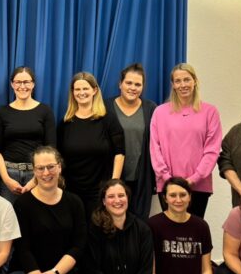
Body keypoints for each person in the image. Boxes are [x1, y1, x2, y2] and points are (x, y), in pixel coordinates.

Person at [8, 145, 86, 274]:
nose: (46, 173)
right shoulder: (23, 204)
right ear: (33, 171)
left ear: (59, 167)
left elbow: (78, 245)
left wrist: (56, 273)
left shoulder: (74, 202)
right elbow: (23, 249)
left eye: (50, 167)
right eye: (40, 168)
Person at [0, 66, 56, 274]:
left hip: (39, 175)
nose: (22, 86)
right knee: (7, 231)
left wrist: (36, 180)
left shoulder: (44, 111)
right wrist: (6, 179)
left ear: (33, 84)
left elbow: (51, 150)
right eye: (18, 82)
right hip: (8, 174)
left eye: (27, 82)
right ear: (11, 84)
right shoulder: (2, 113)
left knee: (36, 228)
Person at [149, 63, 222, 218]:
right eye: (178, 81)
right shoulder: (160, 112)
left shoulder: (210, 112)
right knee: (171, 235)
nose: (183, 85)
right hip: (168, 185)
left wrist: (194, 179)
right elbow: (155, 149)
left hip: (199, 186)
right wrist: (168, 179)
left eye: (187, 80)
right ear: (173, 85)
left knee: (193, 235)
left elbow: (212, 150)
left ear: (195, 81)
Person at [57, 71, 125, 213]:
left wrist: (112, 186)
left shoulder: (108, 119)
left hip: (100, 191)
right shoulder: (65, 124)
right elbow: (59, 158)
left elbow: (120, 154)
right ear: (73, 92)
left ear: (94, 90)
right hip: (72, 192)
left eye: (85, 88)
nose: (81, 92)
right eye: (77, 89)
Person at [110, 63, 157, 218]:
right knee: (112, 223)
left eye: (138, 84)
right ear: (120, 84)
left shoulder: (150, 109)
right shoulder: (105, 107)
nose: (133, 88)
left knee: (138, 223)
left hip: (142, 179)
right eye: (128, 83)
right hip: (112, 177)